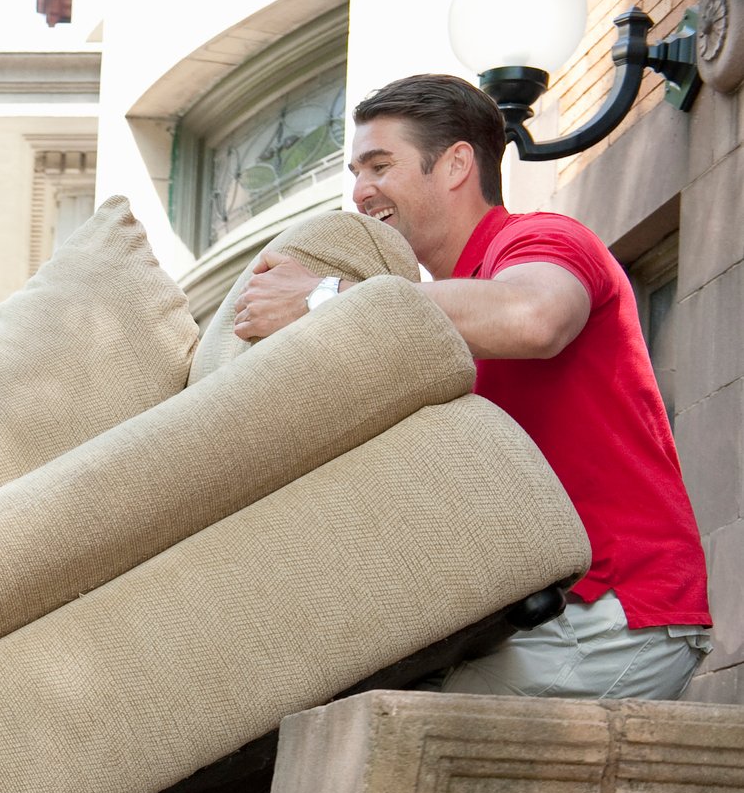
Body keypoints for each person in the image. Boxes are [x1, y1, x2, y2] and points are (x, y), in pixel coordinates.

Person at [234, 73, 712, 700]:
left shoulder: (545, 238)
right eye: (355, 171)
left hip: (613, 611)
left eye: (380, 165)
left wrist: (325, 300)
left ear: (457, 163)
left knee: (379, 738)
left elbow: (533, 317)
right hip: (538, 616)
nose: (360, 191)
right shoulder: (435, 305)